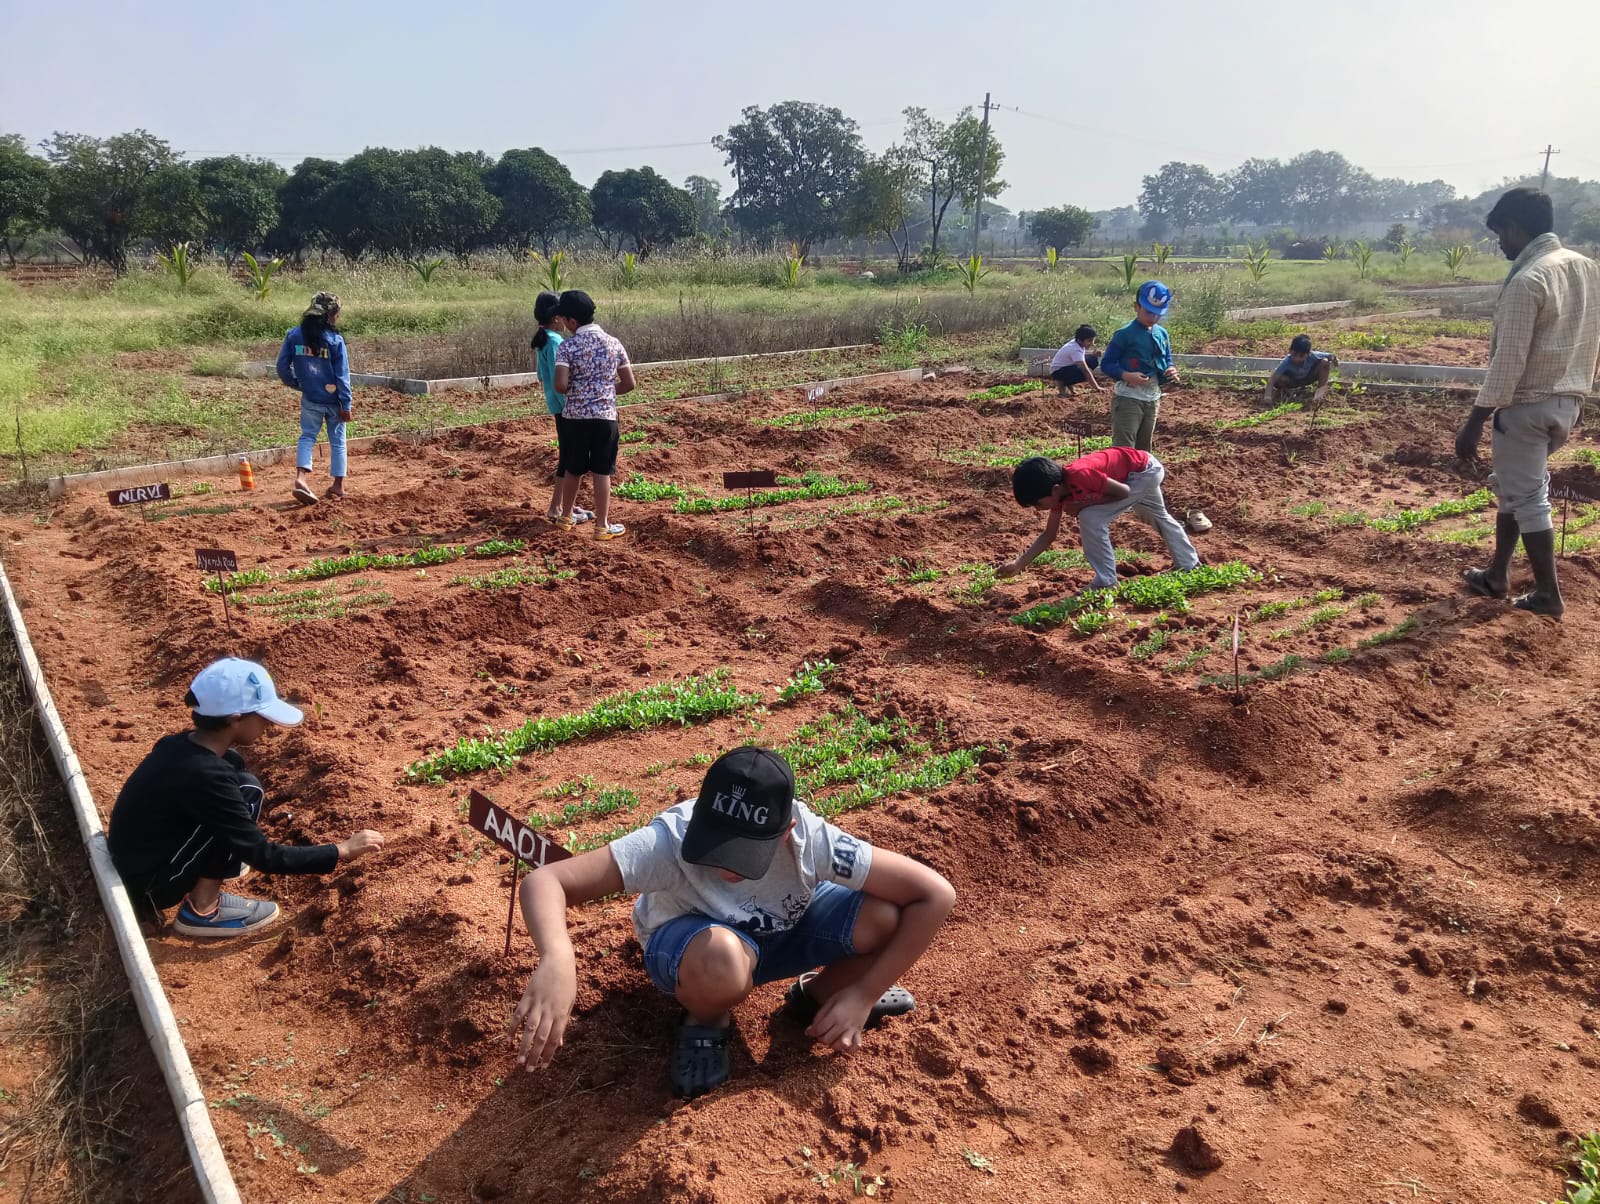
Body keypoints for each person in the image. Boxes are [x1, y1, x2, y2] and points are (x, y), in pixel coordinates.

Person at [509, 746, 955, 1098]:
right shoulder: (669, 840)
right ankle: (706, 1022)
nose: (726, 865)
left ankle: (819, 998)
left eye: (744, 852)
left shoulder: (812, 839)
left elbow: (934, 894)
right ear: (699, 811)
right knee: (722, 959)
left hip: (779, 931)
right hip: (695, 950)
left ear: (787, 830)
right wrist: (557, 956)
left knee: (883, 915)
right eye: (717, 843)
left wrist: (864, 992)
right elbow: (547, 880)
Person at [108, 658, 384, 937]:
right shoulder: (209, 777)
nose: (269, 725)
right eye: (262, 716)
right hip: (150, 885)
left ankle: (197, 886)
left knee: (240, 780)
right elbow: (263, 856)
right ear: (235, 718)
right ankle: (204, 909)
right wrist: (341, 850)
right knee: (247, 792)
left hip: (133, 866)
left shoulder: (177, 746)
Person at [1456, 187, 1600, 618]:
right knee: (1515, 487)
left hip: (1528, 406)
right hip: (1566, 402)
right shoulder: (1586, 267)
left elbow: (1509, 361)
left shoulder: (1527, 280)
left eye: (1501, 232)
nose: (1500, 242)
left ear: (1516, 228)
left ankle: (1548, 595)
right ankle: (1496, 574)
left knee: (1529, 496)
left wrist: (1475, 421)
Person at [997, 449, 1200, 591]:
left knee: (1091, 517)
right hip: (1139, 470)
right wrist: (1019, 564)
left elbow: (1123, 492)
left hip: (1144, 471)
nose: (1038, 509)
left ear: (1055, 489)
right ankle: (1188, 563)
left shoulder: (1080, 475)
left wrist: (1082, 505)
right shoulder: (1060, 493)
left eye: (1037, 503)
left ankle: (1106, 581)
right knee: (1156, 515)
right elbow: (1049, 535)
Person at [553, 290, 634, 540]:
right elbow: (629, 383)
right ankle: (602, 526)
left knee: (573, 469)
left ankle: (566, 517)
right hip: (605, 417)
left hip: (575, 419)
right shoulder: (614, 343)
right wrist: (605, 391)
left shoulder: (567, 347)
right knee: (602, 471)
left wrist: (580, 390)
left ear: (572, 321)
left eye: (564, 319)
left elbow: (560, 385)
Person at [276, 292, 352, 505]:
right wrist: (346, 404)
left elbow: (282, 367)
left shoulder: (293, 335)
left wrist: (297, 384)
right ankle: (338, 486)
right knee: (338, 441)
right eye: (336, 314)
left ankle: (301, 478)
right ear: (330, 315)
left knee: (307, 437)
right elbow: (342, 376)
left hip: (310, 398)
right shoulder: (335, 340)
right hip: (334, 401)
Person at [531, 292, 593, 527]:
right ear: (556, 318)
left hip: (556, 406)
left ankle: (565, 503)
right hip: (567, 407)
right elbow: (562, 381)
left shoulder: (543, 340)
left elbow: (541, 375)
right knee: (570, 459)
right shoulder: (556, 341)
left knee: (568, 456)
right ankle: (557, 507)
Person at [1098, 280, 1180, 452]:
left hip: (1152, 398)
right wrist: (1126, 375)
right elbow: (1106, 363)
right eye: (1149, 312)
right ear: (1136, 307)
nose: (1153, 318)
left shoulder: (1162, 333)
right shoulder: (1124, 334)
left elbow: (1167, 359)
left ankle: (1141, 471)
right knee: (1124, 448)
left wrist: (1170, 369)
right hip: (1128, 398)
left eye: (1158, 314)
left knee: (1144, 449)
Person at [1265, 334, 1336, 405]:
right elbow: (1273, 378)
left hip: (1308, 378)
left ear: (1308, 354)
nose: (1297, 359)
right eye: (1294, 355)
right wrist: (1267, 397)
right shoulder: (1287, 362)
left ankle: (1319, 394)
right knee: (1279, 378)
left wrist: (1335, 361)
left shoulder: (1313, 356)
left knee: (1325, 362)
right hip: (1292, 381)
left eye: (1301, 356)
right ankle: (1289, 390)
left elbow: (1331, 356)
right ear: (1290, 351)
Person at [1050, 325, 1104, 396]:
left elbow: (1080, 358)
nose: (1092, 343)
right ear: (1080, 340)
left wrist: (1093, 355)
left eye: (1093, 340)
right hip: (1058, 373)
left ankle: (1068, 386)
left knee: (1092, 360)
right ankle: (1062, 384)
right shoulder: (1075, 349)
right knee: (1087, 371)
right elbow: (1085, 370)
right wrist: (1097, 387)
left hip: (1061, 370)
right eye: (1089, 341)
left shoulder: (1076, 343)